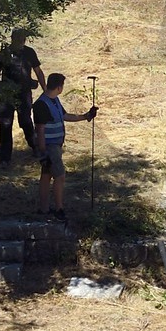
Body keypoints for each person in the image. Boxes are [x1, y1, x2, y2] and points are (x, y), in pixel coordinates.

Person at [32, 72, 96, 224]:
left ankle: (44, 209)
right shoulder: (42, 104)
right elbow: (40, 129)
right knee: (60, 176)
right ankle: (59, 209)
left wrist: (86, 116)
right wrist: (43, 153)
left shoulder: (54, 101)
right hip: (50, 147)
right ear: (59, 87)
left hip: (55, 146)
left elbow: (65, 116)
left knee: (46, 176)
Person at [0, 27, 44, 165]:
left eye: (21, 39)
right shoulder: (4, 53)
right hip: (7, 94)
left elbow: (38, 71)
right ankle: (4, 158)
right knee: (5, 123)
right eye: (17, 39)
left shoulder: (29, 53)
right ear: (12, 39)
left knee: (26, 121)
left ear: (24, 40)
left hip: (24, 93)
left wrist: (45, 90)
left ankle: (35, 147)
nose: (19, 42)